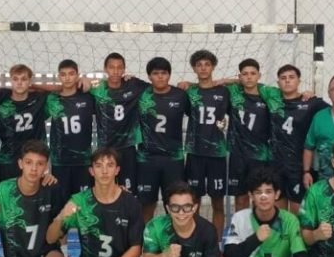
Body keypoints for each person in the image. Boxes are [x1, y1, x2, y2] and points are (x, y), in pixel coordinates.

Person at [183, 50, 230, 244]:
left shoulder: (224, 91)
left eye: (207, 64)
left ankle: (216, 245)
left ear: (213, 67)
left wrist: (229, 80)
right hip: (195, 154)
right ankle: (194, 242)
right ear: (194, 68)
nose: (203, 68)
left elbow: (245, 85)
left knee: (218, 202)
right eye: (199, 64)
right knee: (193, 202)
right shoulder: (189, 92)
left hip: (217, 154)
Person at [271, 64, 330, 214]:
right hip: (276, 165)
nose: (287, 81)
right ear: (278, 83)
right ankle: (283, 238)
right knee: (279, 213)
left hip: (299, 166)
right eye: (283, 78)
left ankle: (298, 238)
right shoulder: (272, 102)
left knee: (298, 212)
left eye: (291, 77)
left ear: (299, 81)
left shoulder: (311, 103)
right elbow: (248, 84)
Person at [136, 57, 189, 222]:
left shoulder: (181, 95)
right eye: (155, 73)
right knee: (146, 205)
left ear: (169, 75)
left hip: (173, 160)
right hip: (146, 159)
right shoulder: (141, 93)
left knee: (175, 205)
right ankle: (146, 244)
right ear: (149, 76)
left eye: (164, 73)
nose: (160, 77)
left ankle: (174, 243)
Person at [226, 58, 281, 211]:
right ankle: (241, 232)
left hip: (260, 156)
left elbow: (291, 93)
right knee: (241, 199)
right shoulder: (233, 92)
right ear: (239, 77)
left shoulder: (268, 94)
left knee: (259, 199)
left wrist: (306, 93)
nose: (249, 77)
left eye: (252, 73)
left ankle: (259, 231)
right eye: (245, 74)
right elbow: (211, 84)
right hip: (238, 155)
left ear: (259, 75)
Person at [89, 53, 149, 192]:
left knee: (129, 191)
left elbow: (157, 87)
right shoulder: (97, 89)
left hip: (127, 148)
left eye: (119, 67)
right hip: (105, 148)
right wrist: (85, 79)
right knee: (105, 190)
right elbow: (73, 89)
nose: (115, 71)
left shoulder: (133, 85)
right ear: (105, 69)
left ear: (124, 69)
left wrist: (134, 78)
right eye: (111, 67)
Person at [46, 60, 95, 209]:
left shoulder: (88, 97)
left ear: (77, 75)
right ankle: (62, 234)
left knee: (84, 209)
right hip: (60, 163)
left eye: (71, 74)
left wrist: (88, 81)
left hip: (83, 162)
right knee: (60, 210)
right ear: (58, 77)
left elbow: (108, 86)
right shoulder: (52, 99)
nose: (67, 78)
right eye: (63, 74)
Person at [0, 64, 49, 182]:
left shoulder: (39, 98)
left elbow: (62, 88)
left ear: (30, 81)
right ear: (11, 81)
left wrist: (35, 85)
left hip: (33, 160)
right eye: (15, 79)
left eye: (24, 79)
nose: (19, 83)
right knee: (6, 197)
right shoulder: (0, 102)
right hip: (8, 160)